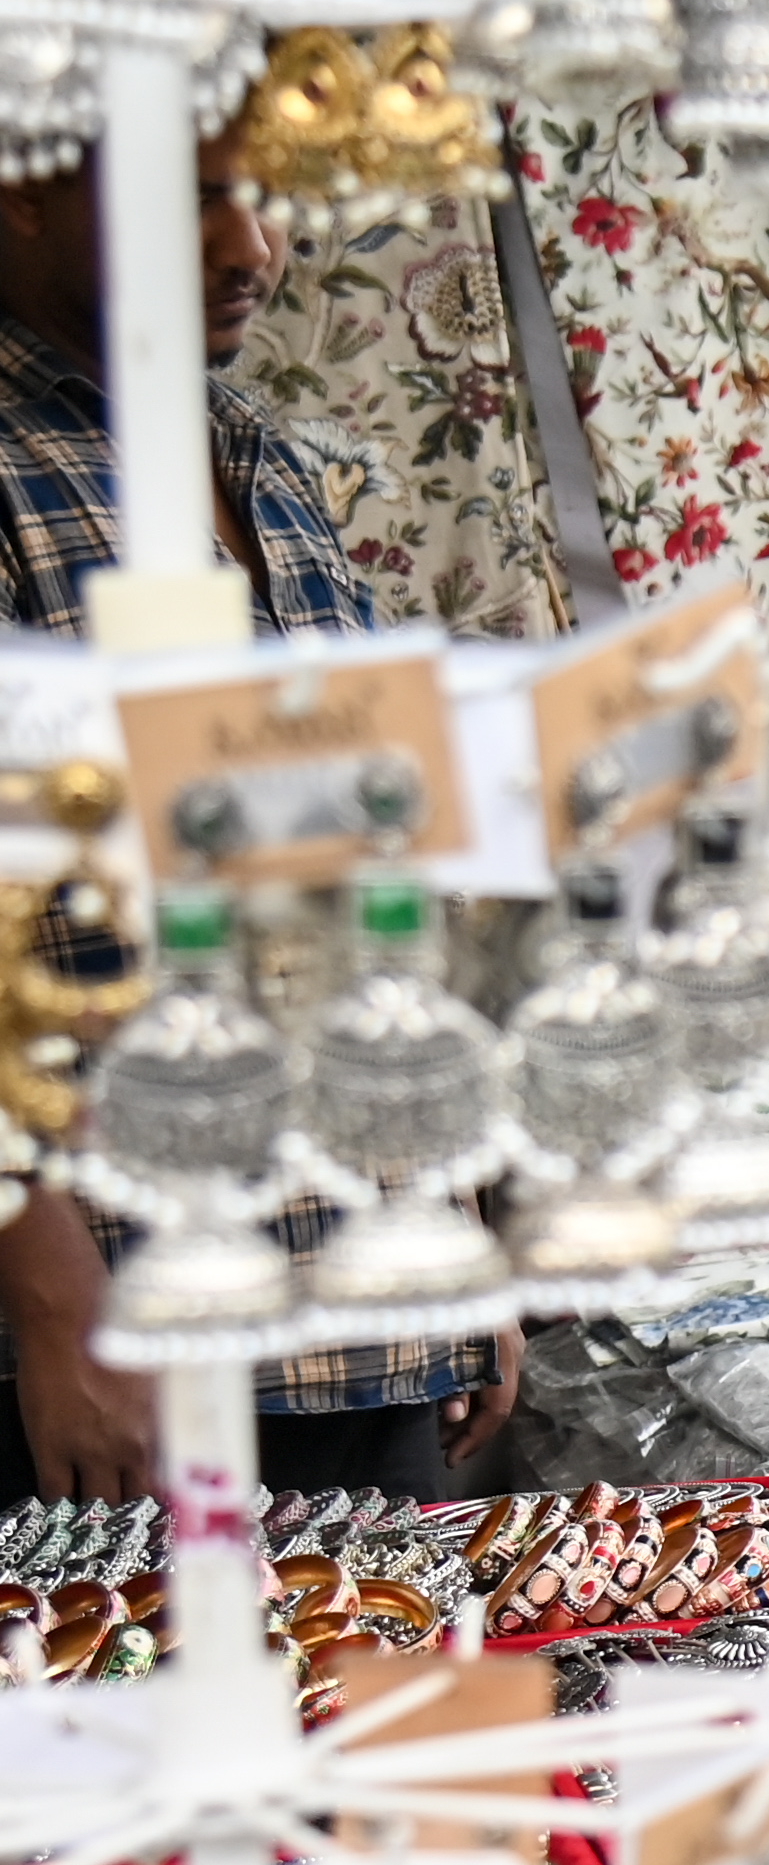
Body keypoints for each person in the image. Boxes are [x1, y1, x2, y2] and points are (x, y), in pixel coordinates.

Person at [0, 120, 513, 1496]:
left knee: (388, 1701)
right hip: (126, 1331)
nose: (254, 249)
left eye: (257, 200)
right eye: (193, 201)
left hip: (365, 1312)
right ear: (27, 192)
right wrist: (49, 1304)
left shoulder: (270, 469)